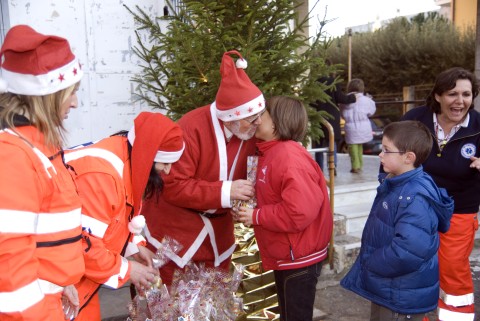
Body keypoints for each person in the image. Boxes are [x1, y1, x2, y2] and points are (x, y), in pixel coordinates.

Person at [140, 50, 264, 285]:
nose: (259, 123)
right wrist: (227, 192)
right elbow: (172, 184)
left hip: (218, 232)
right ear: (231, 118)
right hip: (174, 229)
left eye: (260, 115)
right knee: (169, 303)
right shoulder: (190, 128)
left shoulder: (248, 132)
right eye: (252, 118)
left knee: (212, 302)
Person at [63, 112, 184, 320]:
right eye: (164, 162)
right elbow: (83, 244)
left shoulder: (129, 159)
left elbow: (117, 216)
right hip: (58, 284)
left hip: (79, 285)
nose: (168, 170)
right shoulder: (102, 177)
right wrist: (128, 270)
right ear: (148, 157)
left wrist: (134, 247)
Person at [0, 25, 85, 320]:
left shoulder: (35, 146)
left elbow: (41, 234)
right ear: (46, 96)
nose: (74, 102)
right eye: (70, 93)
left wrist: (58, 280)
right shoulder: (14, 155)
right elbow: (10, 270)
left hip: (47, 300)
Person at [341, 120, 454, 321]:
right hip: (390, 289)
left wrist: (371, 262)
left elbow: (408, 251)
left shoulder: (413, 197)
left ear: (408, 157)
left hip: (400, 296)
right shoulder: (398, 184)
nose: (380, 154)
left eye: (386, 150)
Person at [236, 96, 333, 321]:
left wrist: (256, 215)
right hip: (289, 253)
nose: (257, 120)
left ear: (278, 122)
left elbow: (298, 212)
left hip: (298, 256)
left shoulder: (288, 157)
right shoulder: (271, 151)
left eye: (263, 114)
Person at [401, 67, 480, 321]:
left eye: (466, 94)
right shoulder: (415, 119)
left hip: (460, 209)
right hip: (417, 208)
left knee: (452, 269)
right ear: (437, 95)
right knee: (417, 268)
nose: (460, 101)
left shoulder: (479, 125)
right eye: (452, 94)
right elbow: (390, 157)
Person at [310, 62, 356, 174]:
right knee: (332, 143)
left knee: (319, 145)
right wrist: (353, 97)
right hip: (331, 117)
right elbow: (341, 98)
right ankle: (332, 166)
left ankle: (319, 168)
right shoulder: (332, 82)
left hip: (318, 117)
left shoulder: (312, 83)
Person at [340, 78, 376, 173]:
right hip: (364, 126)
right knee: (360, 146)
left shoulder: (345, 100)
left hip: (350, 127)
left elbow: (342, 114)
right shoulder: (367, 100)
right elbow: (371, 112)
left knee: (353, 147)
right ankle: (360, 165)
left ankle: (355, 166)